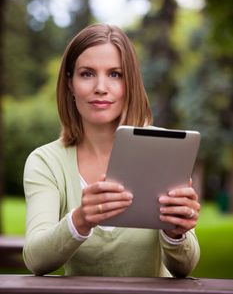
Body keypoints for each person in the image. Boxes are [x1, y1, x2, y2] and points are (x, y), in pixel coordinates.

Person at [23, 23, 200, 277]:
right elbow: (36, 259)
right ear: (70, 83)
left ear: (130, 83)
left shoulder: (163, 149)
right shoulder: (46, 162)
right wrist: (81, 219)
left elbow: (184, 268)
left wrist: (176, 232)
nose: (101, 87)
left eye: (115, 74)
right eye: (87, 74)